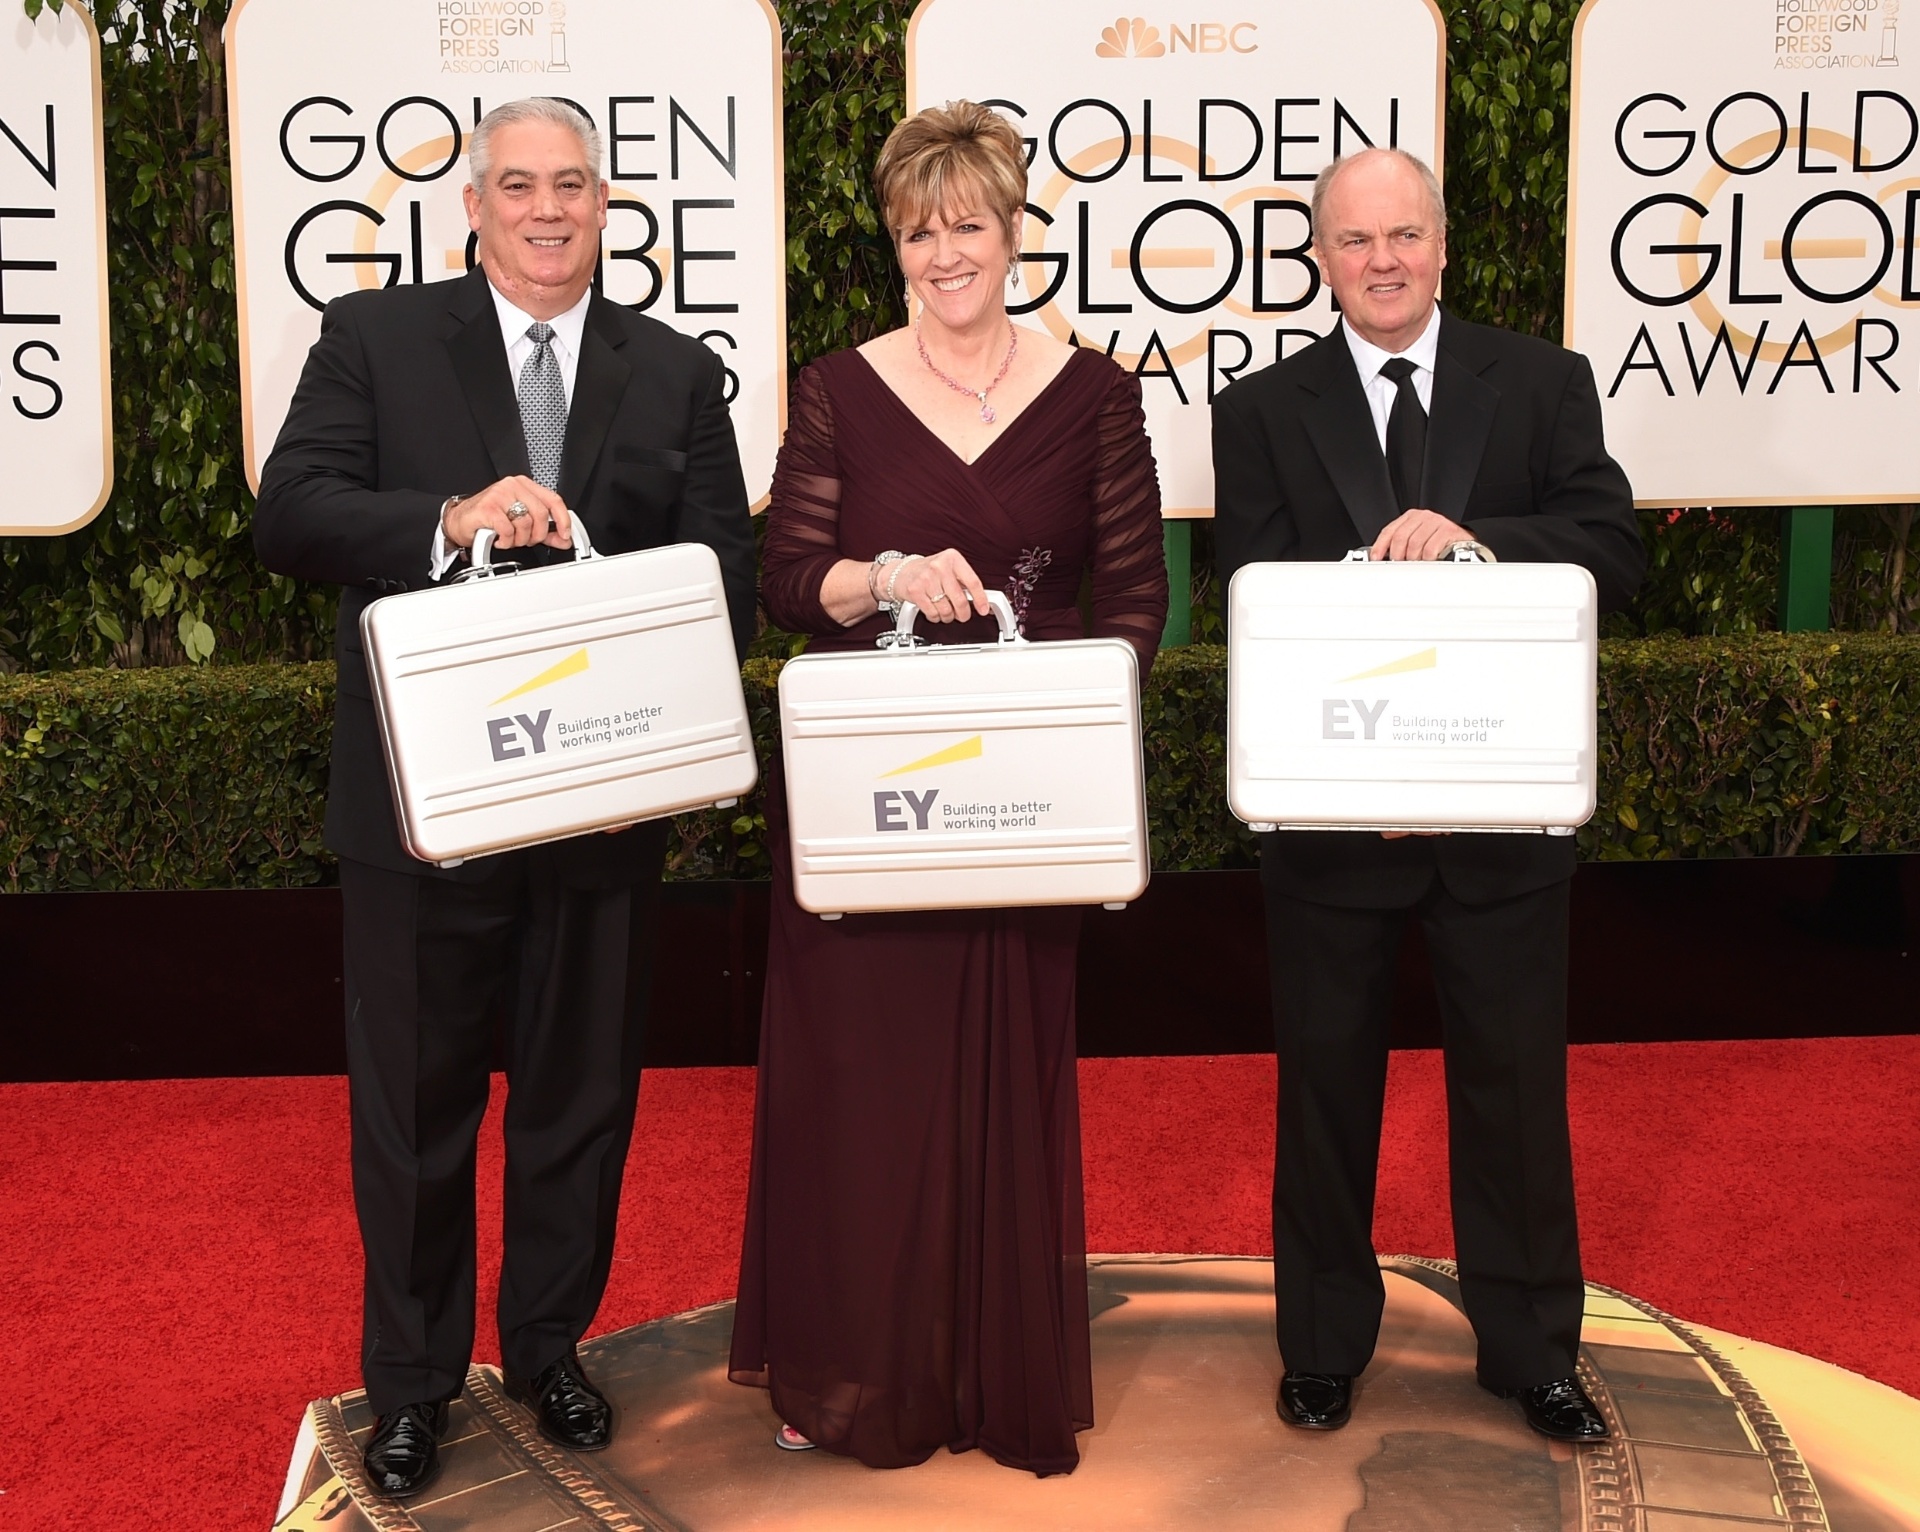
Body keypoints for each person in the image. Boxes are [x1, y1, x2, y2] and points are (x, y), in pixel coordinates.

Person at [254, 97, 755, 1498]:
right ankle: (412, 1387)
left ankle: (545, 1347)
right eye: (519, 186)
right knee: (412, 1114)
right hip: (425, 817)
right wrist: (447, 524)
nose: (548, 210)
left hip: (602, 809)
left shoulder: (671, 372)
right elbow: (289, 510)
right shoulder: (377, 340)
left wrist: (614, 571)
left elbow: (727, 570)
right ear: (473, 206)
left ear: (606, 207)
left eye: (574, 187)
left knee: (579, 1101)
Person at [727, 101, 1168, 1476]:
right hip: (875, 798)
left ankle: (990, 1373)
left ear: (1014, 229)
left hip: (1021, 805)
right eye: (919, 231)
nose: (944, 254)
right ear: (896, 243)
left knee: (1005, 1075)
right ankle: (856, 1374)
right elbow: (787, 579)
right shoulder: (837, 387)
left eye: (967, 225)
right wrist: (885, 576)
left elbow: (1138, 604)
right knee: (857, 1082)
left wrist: (1051, 724)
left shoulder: (1095, 393)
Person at [1211, 147, 1645, 1441]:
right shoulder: (1262, 408)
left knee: (1514, 1095)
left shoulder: (1545, 383)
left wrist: (1477, 543)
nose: (1383, 261)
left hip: (1503, 820)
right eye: (1355, 242)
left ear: (1443, 246)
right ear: (1322, 258)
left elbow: (1613, 548)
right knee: (1324, 1090)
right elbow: (1248, 596)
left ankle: (1532, 1352)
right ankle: (1323, 1345)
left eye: (1404, 235)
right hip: (1335, 825)